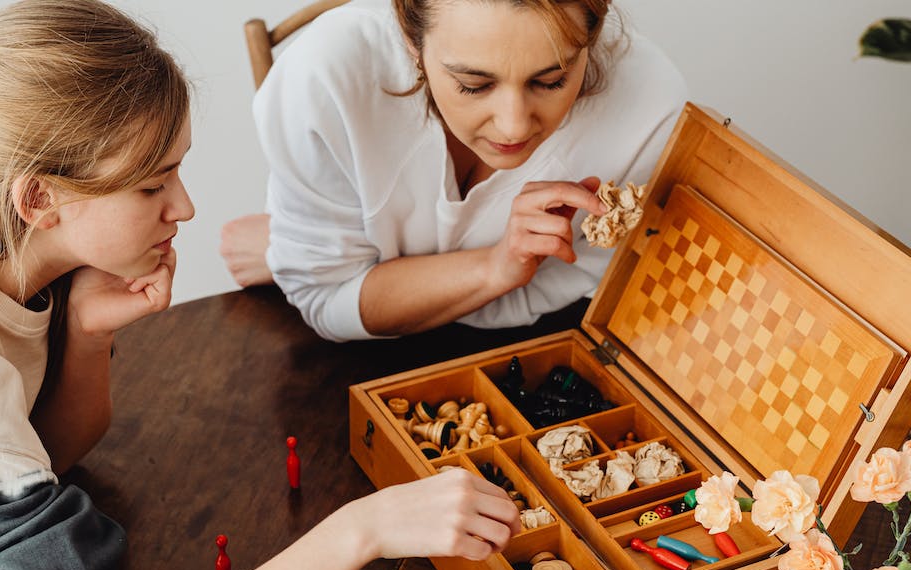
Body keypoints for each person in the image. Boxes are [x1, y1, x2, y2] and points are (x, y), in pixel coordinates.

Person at [0, 2, 521, 570]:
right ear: (39, 198)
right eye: (154, 185)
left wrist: (88, 335)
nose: (183, 207)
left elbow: (41, 456)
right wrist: (368, 527)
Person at [220, 0, 687, 341]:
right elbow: (327, 302)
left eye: (551, 81)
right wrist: (495, 265)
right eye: (472, 85)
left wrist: (353, 268)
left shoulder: (648, 109)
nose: (513, 125)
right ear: (410, 40)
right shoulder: (324, 79)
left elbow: (337, 289)